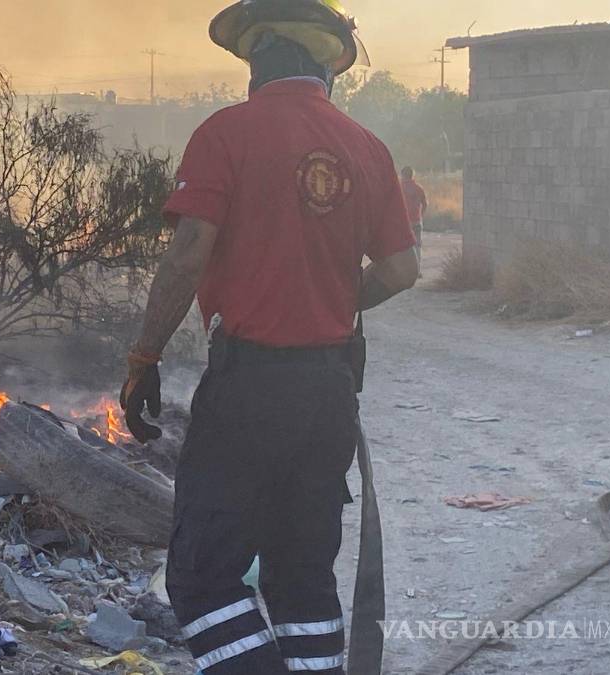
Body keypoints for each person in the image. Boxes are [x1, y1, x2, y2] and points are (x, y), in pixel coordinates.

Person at [118, 1, 418, 673]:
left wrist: (144, 356)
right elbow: (402, 268)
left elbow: (190, 250)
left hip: (250, 388)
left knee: (201, 578)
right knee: (302, 578)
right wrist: (338, 297)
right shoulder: (367, 148)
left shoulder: (226, 132)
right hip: (328, 394)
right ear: (325, 68)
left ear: (256, 63)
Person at [400, 166, 428, 271]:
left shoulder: (399, 188)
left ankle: (405, 270)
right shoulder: (419, 188)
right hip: (417, 221)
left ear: (403, 175)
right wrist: (421, 214)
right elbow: (425, 204)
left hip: (404, 222)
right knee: (417, 246)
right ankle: (417, 270)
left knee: (403, 247)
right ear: (412, 175)